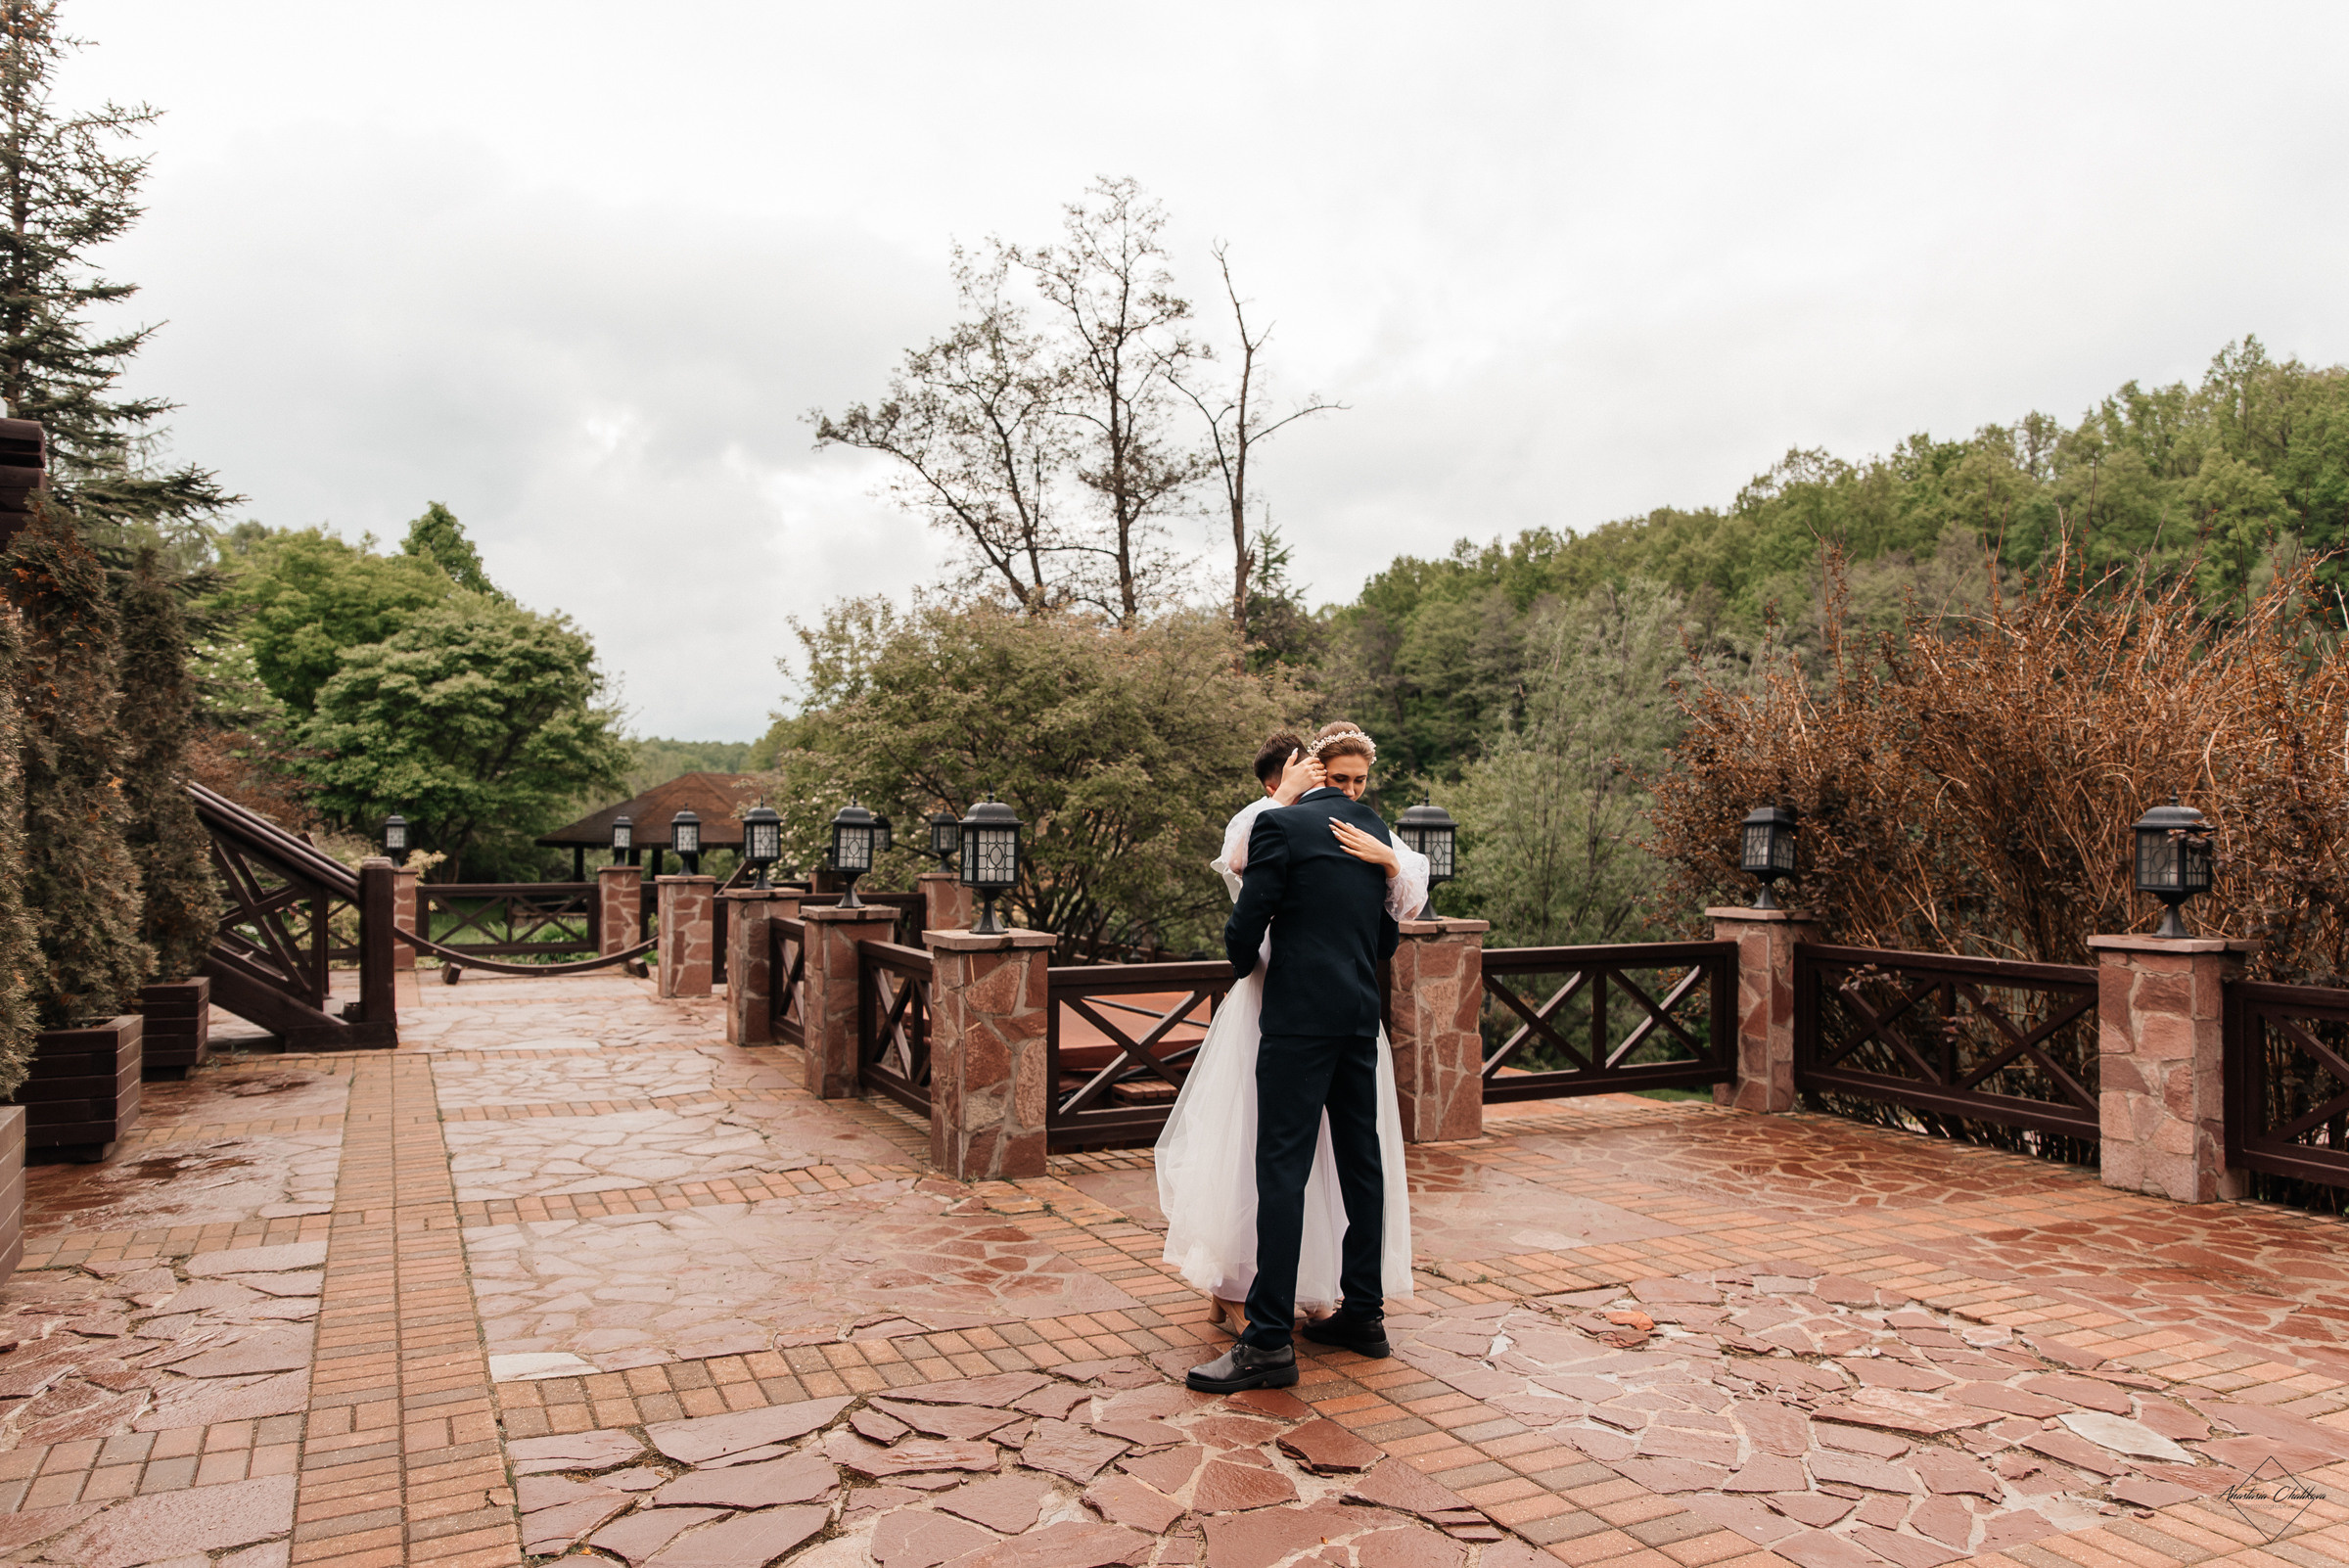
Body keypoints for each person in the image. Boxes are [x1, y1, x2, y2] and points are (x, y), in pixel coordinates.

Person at [1177, 721, 1423, 1394]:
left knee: (1280, 1169)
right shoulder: (1369, 829)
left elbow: (1243, 931)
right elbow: (1383, 937)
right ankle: (1364, 1316)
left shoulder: (1279, 829)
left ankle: (1266, 1345)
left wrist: (1242, 956)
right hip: (1356, 1017)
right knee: (1360, 1165)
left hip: (1297, 1021)